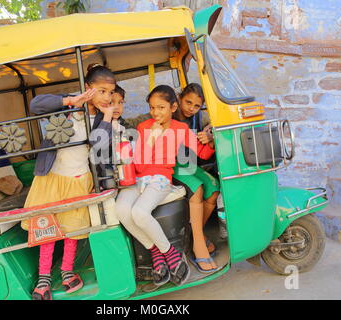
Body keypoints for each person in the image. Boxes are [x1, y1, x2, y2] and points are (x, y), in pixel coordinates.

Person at [21, 64, 117, 300]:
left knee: (74, 228)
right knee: (47, 226)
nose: (106, 97)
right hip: (52, 177)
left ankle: (66, 271)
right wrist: (71, 101)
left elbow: (100, 145)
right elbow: (35, 105)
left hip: (79, 179)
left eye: (110, 92)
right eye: (101, 91)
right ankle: (44, 276)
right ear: (88, 88)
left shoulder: (101, 118)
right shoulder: (69, 103)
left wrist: (105, 118)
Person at [115, 85, 215, 287]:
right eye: (152, 108)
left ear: (172, 107)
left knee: (140, 213)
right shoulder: (144, 127)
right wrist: (151, 137)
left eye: (161, 107)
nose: (155, 112)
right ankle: (164, 253)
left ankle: (167, 257)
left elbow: (203, 154)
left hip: (161, 178)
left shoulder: (181, 129)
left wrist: (211, 139)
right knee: (121, 210)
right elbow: (140, 165)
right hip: (137, 179)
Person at [172, 83, 221, 274]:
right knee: (198, 188)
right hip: (171, 163)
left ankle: (194, 237)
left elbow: (203, 153)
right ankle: (199, 245)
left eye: (196, 106)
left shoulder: (197, 120)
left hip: (189, 164)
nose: (191, 108)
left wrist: (209, 138)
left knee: (214, 187)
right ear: (179, 98)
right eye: (188, 102)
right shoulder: (171, 113)